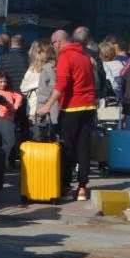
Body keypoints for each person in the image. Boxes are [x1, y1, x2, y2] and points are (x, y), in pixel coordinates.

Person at [50, 28, 98, 201]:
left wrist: (47, 105)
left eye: (53, 43)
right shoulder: (85, 56)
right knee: (84, 148)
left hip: (71, 108)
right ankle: (82, 187)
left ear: (59, 41)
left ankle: (65, 186)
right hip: (88, 107)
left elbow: (62, 83)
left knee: (67, 149)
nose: (53, 47)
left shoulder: (65, 56)